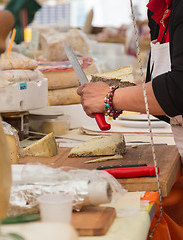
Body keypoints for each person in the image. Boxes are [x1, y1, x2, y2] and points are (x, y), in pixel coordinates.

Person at [77, 0, 183, 238]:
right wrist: (121, 96)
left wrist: (111, 97)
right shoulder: (159, 8)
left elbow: (178, 90)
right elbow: (162, 91)